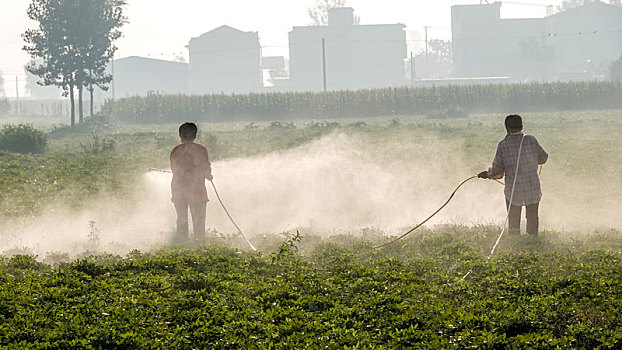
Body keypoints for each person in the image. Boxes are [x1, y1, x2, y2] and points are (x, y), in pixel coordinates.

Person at [478, 114, 548, 236]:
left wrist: (487, 174)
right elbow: (543, 158)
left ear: (507, 129)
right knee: (532, 217)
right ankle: (533, 240)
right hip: (533, 186)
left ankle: (515, 243)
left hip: (513, 189)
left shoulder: (503, 145)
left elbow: (497, 170)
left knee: (514, 220)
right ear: (522, 127)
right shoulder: (531, 140)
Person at [170, 122, 213, 240]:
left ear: (181, 135)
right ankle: (199, 244)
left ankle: (182, 244)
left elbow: (174, 169)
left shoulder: (175, 150)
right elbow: (206, 168)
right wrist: (208, 175)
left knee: (182, 220)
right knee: (199, 221)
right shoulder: (201, 150)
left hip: (179, 190)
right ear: (195, 135)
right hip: (198, 190)